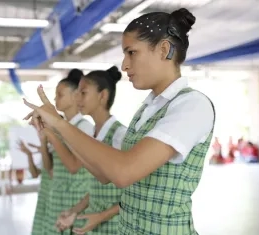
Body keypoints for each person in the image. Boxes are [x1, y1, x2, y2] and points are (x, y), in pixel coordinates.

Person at [23, 8, 215, 235]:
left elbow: (124, 172)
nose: (124, 65)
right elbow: (105, 175)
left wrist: (60, 124)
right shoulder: (147, 109)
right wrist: (57, 128)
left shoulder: (192, 105)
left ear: (164, 50)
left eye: (131, 53)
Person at [55, 66, 127, 235]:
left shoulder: (120, 136)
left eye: (83, 93)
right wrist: (75, 211)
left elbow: (135, 195)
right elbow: (97, 189)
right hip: (95, 225)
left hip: (115, 226)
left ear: (102, 96)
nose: (77, 98)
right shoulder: (94, 135)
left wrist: (101, 216)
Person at [38, 69, 94, 235]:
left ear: (75, 96)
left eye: (60, 94)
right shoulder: (59, 127)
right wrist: (43, 137)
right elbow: (49, 169)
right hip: (57, 198)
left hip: (76, 199)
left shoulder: (84, 127)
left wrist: (52, 134)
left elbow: (74, 167)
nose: (55, 99)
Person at [17, 138, 52, 235]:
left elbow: (49, 170)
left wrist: (44, 149)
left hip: (55, 196)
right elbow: (35, 174)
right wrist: (29, 154)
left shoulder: (54, 149)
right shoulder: (47, 148)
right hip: (44, 196)